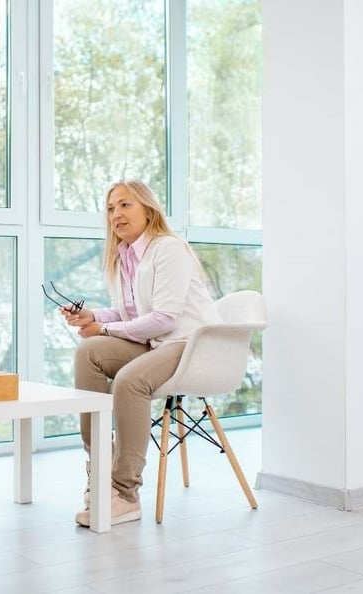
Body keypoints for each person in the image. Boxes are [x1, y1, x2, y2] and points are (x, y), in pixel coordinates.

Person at [59, 179, 220, 527]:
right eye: (110, 208)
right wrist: (93, 318)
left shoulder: (168, 249)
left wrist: (104, 328)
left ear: (148, 209)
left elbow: (163, 319)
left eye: (125, 205)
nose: (116, 214)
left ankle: (125, 494)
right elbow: (128, 312)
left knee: (129, 382)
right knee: (89, 352)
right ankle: (99, 471)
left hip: (191, 344)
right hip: (158, 343)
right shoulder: (124, 256)